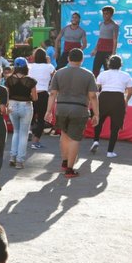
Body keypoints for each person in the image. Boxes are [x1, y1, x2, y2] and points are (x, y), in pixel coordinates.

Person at [45, 48, 99, 178]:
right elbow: (92, 96)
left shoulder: (59, 73)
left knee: (64, 134)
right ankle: (69, 169)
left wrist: (48, 111)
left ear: (68, 59)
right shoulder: (88, 75)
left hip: (61, 108)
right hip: (79, 109)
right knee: (75, 138)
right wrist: (96, 114)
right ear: (82, 60)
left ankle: (64, 161)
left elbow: (52, 94)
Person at [91, 55, 132, 158]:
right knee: (115, 127)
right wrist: (126, 99)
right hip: (118, 99)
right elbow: (130, 90)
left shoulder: (103, 74)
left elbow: (96, 88)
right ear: (120, 64)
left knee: (99, 121)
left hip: (104, 97)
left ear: (108, 64)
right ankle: (110, 152)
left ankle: (96, 141)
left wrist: (95, 100)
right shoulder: (126, 75)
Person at [5, 57, 37, 169]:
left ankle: (12, 157)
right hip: (26, 106)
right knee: (24, 134)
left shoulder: (8, 80)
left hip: (12, 105)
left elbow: (7, 95)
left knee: (16, 132)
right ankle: (20, 161)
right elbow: (35, 97)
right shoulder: (30, 81)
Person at [28, 48, 55, 149]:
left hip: (31, 94)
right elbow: (55, 77)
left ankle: (29, 130)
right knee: (41, 119)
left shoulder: (30, 66)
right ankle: (35, 142)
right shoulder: (49, 66)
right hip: (43, 94)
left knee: (30, 115)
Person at [92, 6, 119, 77]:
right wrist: (95, 49)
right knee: (95, 70)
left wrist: (113, 53)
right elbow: (100, 38)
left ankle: (107, 87)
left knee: (108, 71)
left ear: (111, 15)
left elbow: (115, 39)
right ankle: (96, 86)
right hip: (99, 51)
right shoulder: (101, 24)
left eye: (107, 13)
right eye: (103, 14)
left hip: (108, 52)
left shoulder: (114, 25)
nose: (105, 15)